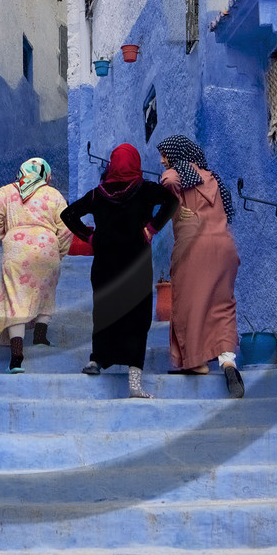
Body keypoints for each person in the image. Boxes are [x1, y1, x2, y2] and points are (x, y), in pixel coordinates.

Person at [61, 144, 178, 399]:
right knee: (138, 317)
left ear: (113, 164)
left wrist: (89, 236)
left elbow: (68, 214)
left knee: (105, 310)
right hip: (136, 264)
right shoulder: (146, 190)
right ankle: (134, 381)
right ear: (135, 163)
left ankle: (97, 360)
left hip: (105, 263)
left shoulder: (98, 194)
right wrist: (152, 227)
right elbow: (172, 201)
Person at [156, 134, 244, 399]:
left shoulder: (177, 175)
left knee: (189, 305)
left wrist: (177, 205)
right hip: (225, 248)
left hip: (194, 249)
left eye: (165, 155)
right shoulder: (213, 178)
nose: (161, 160)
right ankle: (228, 361)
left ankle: (196, 363)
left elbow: (169, 180)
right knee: (222, 305)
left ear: (177, 156)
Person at [0, 157, 73, 372]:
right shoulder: (53, 194)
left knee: (15, 298)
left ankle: (16, 356)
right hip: (47, 247)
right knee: (46, 290)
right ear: (46, 175)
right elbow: (67, 226)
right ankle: (41, 336)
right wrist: (59, 250)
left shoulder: (8, 191)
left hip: (16, 247)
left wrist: (2, 235)